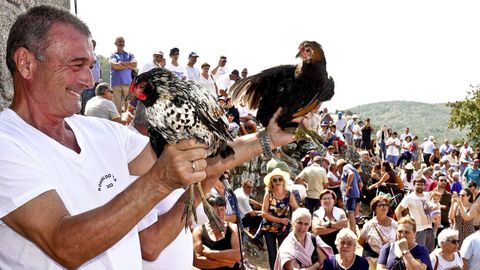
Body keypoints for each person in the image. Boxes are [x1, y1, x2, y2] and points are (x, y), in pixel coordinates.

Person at [0, 6, 317, 268]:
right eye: (75, 65)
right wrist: (159, 182)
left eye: (92, 67)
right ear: (26, 63)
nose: (88, 79)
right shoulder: (7, 143)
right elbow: (64, 245)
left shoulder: (102, 133)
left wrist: (267, 139)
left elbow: (197, 161)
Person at [261, 168, 300, 270]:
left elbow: (297, 209)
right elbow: (263, 213)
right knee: (272, 254)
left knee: (285, 253)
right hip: (269, 228)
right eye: (275, 180)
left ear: (283, 181)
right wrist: (280, 220)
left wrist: (296, 221)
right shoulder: (268, 194)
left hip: (284, 228)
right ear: (271, 182)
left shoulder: (289, 194)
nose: (278, 182)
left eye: (280, 179)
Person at [192, 194, 241, 270]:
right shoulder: (199, 231)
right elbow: (196, 261)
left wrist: (209, 254)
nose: (220, 214)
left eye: (222, 209)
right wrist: (227, 262)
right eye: (215, 210)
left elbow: (237, 255)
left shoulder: (233, 228)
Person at [395, 178, 435, 252]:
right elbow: (398, 210)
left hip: (429, 228)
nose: (420, 186)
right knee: (419, 254)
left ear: (424, 186)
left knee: (429, 254)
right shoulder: (409, 197)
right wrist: (403, 225)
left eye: (422, 185)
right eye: (418, 184)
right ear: (413, 185)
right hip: (419, 230)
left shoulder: (427, 195)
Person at [358, 195, 398, 269]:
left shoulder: (395, 225)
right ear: (375, 208)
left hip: (388, 261)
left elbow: (397, 242)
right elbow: (360, 241)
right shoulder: (369, 225)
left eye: (386, 205)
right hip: (372, 260)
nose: (384, 207)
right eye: (381, 205)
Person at [311, 190, 348, 254]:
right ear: (321, 201)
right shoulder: (316, 213)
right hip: (323, 244)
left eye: (329, 198)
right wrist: (337, 227)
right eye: (324, 199)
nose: (327, 200)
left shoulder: (340, 211)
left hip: (339, 243)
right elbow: (316, 230)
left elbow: (345, 224)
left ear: (334, 201)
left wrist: (328, 224)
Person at [110, 36, 137, 114]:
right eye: (119, 41)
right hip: (116, 84)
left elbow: (135, 64)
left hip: (128, 83)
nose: (121, 43)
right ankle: (117, 124)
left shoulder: (130, 54)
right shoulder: (113, 55)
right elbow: (115, 66)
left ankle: (127, 124)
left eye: (122, 41)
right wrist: (129, 65)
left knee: (128, 106)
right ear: (115, 43)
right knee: (116, 106)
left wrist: (122, 63)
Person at [336, 159, 361, 232]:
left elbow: (351, 174)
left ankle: (352, 232)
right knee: (351, 213)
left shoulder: (346, 167)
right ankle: (352, 230)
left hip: (350, 194)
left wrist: (347, 186)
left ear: (340, 165)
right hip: (354, 193)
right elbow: (360, 183)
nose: (338, 170)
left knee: (350, 213)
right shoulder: (354, 169)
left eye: (338, 167)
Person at [80, 39, 102, 115]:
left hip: (96, 84)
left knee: (94, 104)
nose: (93, 46)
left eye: (94, 45)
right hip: (87, 84)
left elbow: (99, 70)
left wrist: (99, 80)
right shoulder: (84, 56)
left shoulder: (97, 57)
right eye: (92, 45)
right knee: (86, 103)